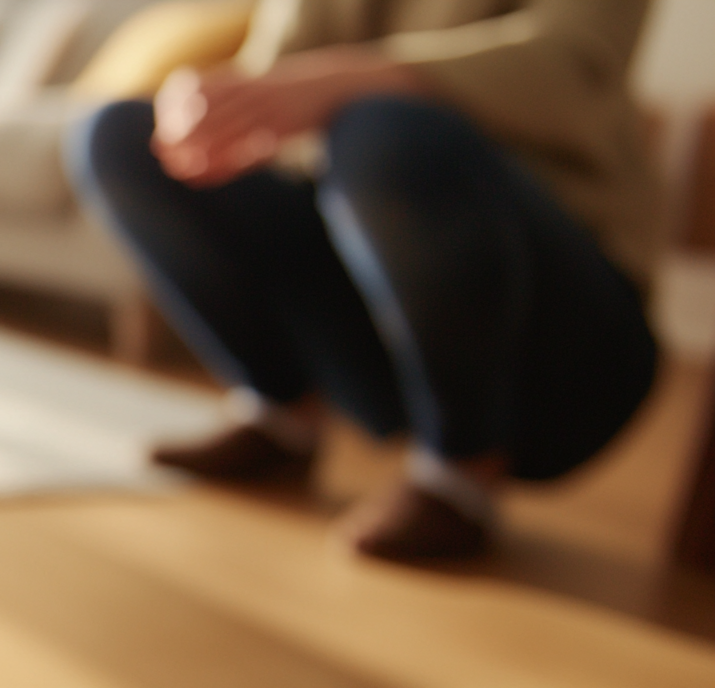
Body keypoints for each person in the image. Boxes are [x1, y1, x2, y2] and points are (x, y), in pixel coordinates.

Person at [67, 0, 663, 559]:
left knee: (384, 127)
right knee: (120, 136)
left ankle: (461, 467)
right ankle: (283, 414)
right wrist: (220, 109)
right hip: (377, 324)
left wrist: (348, 78)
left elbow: (577, 64)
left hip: (561, 351)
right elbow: (274, 75)